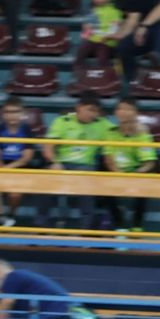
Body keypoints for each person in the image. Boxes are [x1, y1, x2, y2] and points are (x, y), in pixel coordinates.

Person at [43, 92, 115, 229]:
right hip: (62, 163)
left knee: (87, 182)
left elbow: (123, 130)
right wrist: (54, 162)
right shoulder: (62, 121)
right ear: (79, 107)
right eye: (90, 110)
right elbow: (48, 147)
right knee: (44, 180)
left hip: (86, 165)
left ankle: (85, 229)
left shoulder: (103, 124)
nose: (93, 114)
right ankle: (41, 225)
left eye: (96, 111)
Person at [104, 99, 158, 232]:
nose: (124, 112)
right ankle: (119, 225)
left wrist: (137, 174)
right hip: (116, 171)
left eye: (129, 109)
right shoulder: (110, 133)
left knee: (146, 181)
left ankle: (137, 225)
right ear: (116, 113)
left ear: (135, 113)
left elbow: (149, 162)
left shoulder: (143, 135)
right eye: (121, 109)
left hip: (136, 171)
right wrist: (118, 173)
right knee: (103, 180)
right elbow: (108, 158)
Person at [0, 99, 37, 227]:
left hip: (19, 166)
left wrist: (9, 168)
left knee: (15, 194)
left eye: (15, 112)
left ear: (22, 113)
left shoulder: (27, 130)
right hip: (0, 165)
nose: (12, 115)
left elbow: (27, 157)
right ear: (3, 115)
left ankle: (11, 215)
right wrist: (1, 168)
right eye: (8, 112)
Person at [74, 0, 125, 65]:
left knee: (102, 56)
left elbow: (116, 29)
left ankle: (103, 74)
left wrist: (107, 37)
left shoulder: (115, 12)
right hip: (92, 40)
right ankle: (79, 73)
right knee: (81, 51)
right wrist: (86, 30)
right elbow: (86, 28)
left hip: (107, 41)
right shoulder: (90, 11)